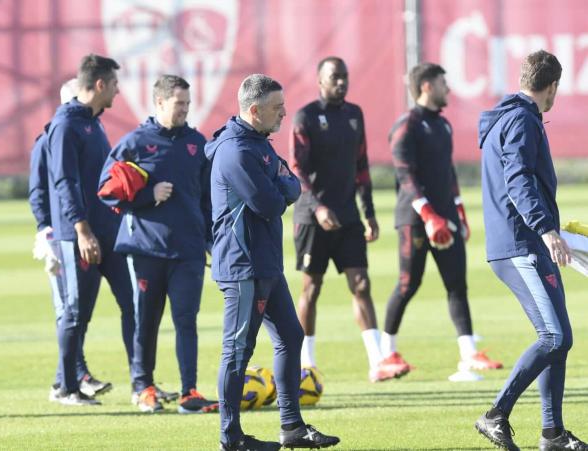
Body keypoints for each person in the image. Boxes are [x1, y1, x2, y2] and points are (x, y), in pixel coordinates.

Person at [206, 74, 340, 451]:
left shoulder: (258, 145)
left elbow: (292, 184)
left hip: (264, 262)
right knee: (237, 350)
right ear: (254, 110)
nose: (284, 113)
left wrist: (279, 185)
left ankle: (292, 427)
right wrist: (278, 186)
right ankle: (230, 438)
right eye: (276, 107)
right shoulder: (237, 151)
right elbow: (268, 202)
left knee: (290, 336)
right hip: (244, 265)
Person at [475, 50, 588, 451]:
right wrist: (547, 231)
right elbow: (518, 179)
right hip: (521, 245)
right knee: (554, 337)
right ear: (553, 86)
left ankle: (552, 433)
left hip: (526, 243)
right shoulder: (522, 119)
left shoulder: (509, 116)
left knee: (561, 338)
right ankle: (494, 414)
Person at [98, 75, 217, 414]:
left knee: (186, 320)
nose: (185, 110)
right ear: (161, 103)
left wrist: (211, 239)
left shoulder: (197, 143)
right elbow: (106, 190)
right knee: (146, 320)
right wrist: (148, 197)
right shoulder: (135, 142)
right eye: (179, 104)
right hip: (147, 249)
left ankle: (189, 393)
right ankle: (143, 387)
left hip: (189, 250)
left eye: (187, 104)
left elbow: (208, 198)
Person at [290, 56, 407, 383]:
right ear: (320, 80)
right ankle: (305, 364)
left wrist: (368, 212)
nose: (341, 82)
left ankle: (377, 361)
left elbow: (362, 166)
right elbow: (297, 170)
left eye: (345, 76)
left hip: (348, 215)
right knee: (311, 288)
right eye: (334, 77)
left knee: (362, 284)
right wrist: (317, 207)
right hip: (313, 218)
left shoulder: (355, 115)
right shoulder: (306, 117)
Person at [382, 63, 502, 374]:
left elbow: (448, 172)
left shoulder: (443, 125)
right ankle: (386, 355)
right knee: (409, 284)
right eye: (442, 83)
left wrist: (458, 211)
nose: (447, 89)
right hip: (415, 218)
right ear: (426, 86)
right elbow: (404, 175)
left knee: (456, 285)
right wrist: (428, 214)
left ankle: (469, 353)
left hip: (445, 219)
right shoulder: (406, 125)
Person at [43, 55, 134, 406]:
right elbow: (64, 181)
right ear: (99, 85)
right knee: (75, 311)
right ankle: (65, 387)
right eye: (114, 84)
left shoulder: (93, 123)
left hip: (108, 232)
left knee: (132, 304)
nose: (118, 90)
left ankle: (142, 383)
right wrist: (82, 231)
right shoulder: (66, 124)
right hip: (79, 235)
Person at [28, 78, 116, 403]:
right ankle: (70, 380)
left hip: (81, 231)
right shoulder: (51, 138)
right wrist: (45, 231)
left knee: (75, 309)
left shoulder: (91, 129)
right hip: (61, 236)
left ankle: (71, 376)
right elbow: (39, 189)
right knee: (69, 309)